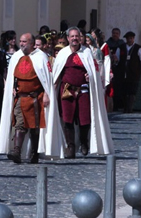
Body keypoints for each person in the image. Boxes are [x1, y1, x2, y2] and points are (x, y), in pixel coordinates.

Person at [0, 33, 65, 163]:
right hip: (20, 97)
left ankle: (34, 153)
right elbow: (12, 76)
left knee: (35, 127)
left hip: (36, 98)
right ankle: (17, 151)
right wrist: (12, 86)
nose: (21, 44)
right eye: (21, 41)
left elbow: (47, 79)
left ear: (32, 43)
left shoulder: (41, 57)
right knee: (19, 124)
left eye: (24, 41)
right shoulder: (17, 56)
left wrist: (46, 94)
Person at [52, 27, 114, 158]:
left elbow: (94, 71)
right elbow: (57, 73)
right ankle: (70, 146)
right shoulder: (63, 53)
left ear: (80, 38)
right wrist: (52, 91)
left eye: (77, 36)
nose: (74, 38)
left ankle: (84, 142)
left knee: (84, 119)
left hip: (83, 90)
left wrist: (90, 77)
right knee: (67, 119)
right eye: (72, 36)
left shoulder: (87, 53)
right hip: (66, 90)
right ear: (68, 38)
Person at [117, 31, 141, 112]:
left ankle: (130, 108)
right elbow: (117, 60)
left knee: (132, 91)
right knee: (124, 91)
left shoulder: (138, 48)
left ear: (133, 39)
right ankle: (125, 107)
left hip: (134, 74)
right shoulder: (121, 47)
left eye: (131, 38)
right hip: (123, 73)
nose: (130, 40)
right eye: (128, 38)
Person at [106, 28, 125, 111]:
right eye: (114, 33)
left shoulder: (122, 44)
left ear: (119, 34)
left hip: (119, 69)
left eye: (117, 33)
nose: (115, 35)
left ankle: (118, 105)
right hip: (109, 68)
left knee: (119, 87)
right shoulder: (108, 43)